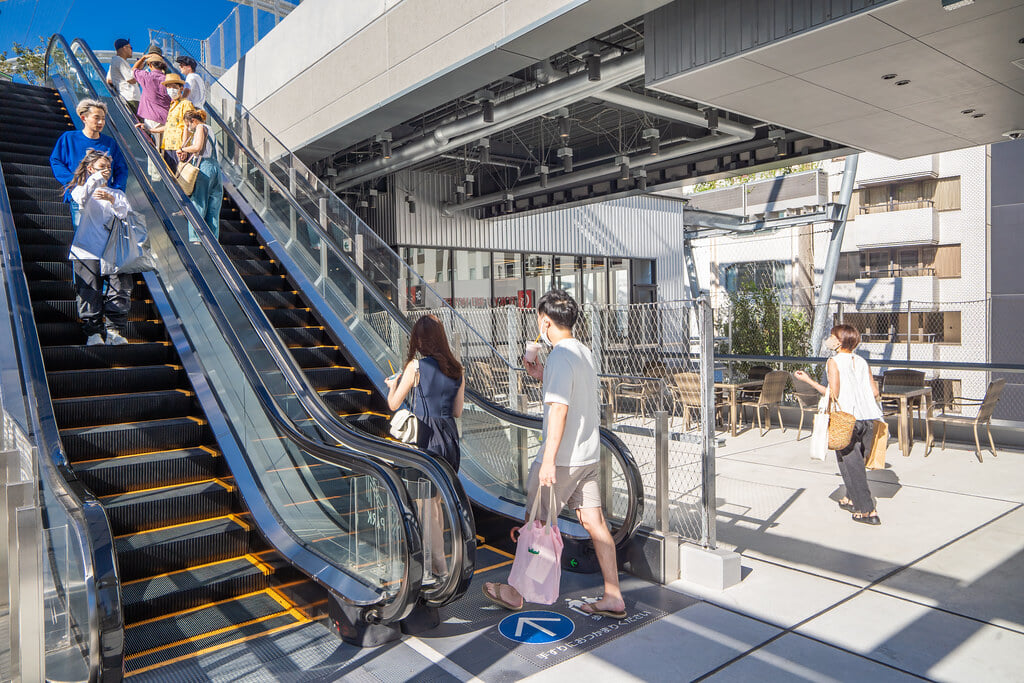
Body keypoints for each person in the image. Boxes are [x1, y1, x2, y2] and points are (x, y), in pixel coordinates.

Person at [483, 289, 627, 618]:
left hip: (561, 460)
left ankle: (517, 591)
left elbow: (559, 409)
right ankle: (613, 595)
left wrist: (548, 460)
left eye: (539, 320)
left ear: (546, 322)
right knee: (595, 523)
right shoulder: (581, 353)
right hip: (587, 456)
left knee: (536, 523)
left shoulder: (561, 356)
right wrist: (539, 373)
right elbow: (570, 392)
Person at [385, 315, 465, 577]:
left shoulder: (415, 368)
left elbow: (394, 404)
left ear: (419, 340)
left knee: (425, 507)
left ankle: (440, 566)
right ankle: (438, 559)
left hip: (426, 440)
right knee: (437, 504)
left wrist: (392, 386)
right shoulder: (457, 368)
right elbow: (457, 411)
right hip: (449, 441)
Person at [794, 325, 884, 525]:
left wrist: (808, 380)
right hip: (868, 419)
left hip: (846, 419)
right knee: (845, 460)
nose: (829, 339)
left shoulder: (833, 361)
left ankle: (868, 510)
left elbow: (832, 392)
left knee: (854, 466)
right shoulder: (861, 361)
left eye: (832, 336)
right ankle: (852, 498)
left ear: (839, 341)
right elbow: (875, 393)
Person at [63, 150, 133, 346]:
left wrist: (113, 201)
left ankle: (114, 330)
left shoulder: (117, 194)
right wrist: (94, 178)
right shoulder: (80, 189)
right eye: (102, 167)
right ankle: (93, 333)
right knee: (89, 290)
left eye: (109, 168)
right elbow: (82, 199)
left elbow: (126, 216)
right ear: (91, 168)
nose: (107, 172)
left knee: (119, 290)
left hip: (115, 252)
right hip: (87, 250)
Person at [50, 99, 128, 230]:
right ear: (83, 118)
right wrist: (72, 183)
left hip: (103, 200)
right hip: (79, 197)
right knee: (83, 239)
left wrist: (116, 189)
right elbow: (56, 161)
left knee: (104, 240)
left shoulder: (110, 143)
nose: (101, 122)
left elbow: (122, 169)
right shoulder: (69, 138)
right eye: (96, 118)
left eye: (103, 119)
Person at [178, 110, 222, 239]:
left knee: (199, 201)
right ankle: (213, 238)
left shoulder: (200, 127)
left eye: (188, 125)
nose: (188, 128)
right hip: (216, 168)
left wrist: (182, 149)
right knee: (214, 206)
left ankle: (196, 237)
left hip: (205, 168)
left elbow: (197, 147)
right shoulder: (210, 128)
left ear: (194, 121)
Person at [145, 73, 193, 172]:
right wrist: (150, 129)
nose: (171, 90)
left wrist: (184, 148)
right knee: (171, 176)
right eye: (168, 87)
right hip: (168, 146)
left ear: (181, 88)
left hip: (179, 148)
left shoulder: (186, 104)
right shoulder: (172, 105)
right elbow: (169, 127)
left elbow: (187, 127)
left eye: (174, 87)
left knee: (181, 177)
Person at [105, 38, 140, 116]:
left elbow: (109, 80)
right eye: (131, 48)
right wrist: (138, 68)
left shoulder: (115, 61)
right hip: (131, 97)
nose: (132, 50)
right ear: (125, 48)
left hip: (126, 96)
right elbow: (132, 79)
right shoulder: (119, 60)